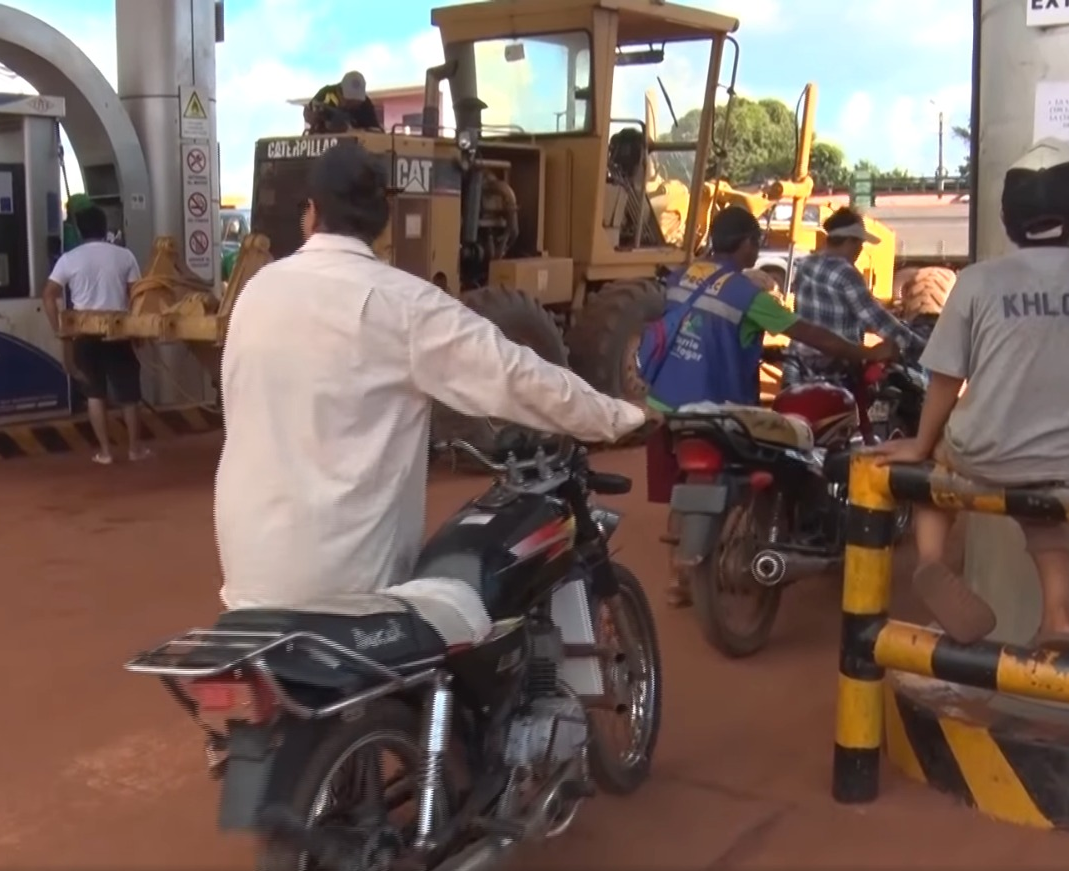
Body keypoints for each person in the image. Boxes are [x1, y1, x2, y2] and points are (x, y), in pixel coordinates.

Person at [215, 140, 646, 612]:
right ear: (384, 223)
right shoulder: (404, 304)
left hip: (246, 575)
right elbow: (514, 376)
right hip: (348, 586)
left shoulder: (256, 292)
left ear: (311, 214)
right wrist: (620, 416)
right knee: (482, 618)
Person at [870, 138, 1069, 654]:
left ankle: (929, 560)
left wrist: (923, 443)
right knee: (1045, 515)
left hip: (985, 450)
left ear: (1006, 219)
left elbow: (946, 377)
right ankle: (1059, 616)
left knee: (934, 474)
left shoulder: (976, 281)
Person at [639, 205, 897, 607]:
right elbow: (809, 333)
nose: (757, 252)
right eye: (756, 244)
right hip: (717, 405)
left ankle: (680, 579)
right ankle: (757, 550)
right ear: (744, 244)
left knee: (683, 484)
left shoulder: (682, 275)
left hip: (664, 401)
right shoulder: (746, 294)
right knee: (763, 468)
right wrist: (864, 354)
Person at [40, 207, 150, 466]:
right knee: (129, 395)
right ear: (105, 228)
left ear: (79, 230)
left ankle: (105, 452)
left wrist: (59, 327)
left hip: (85, 333)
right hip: (119, 331)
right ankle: (135, 450)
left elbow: (48, 295)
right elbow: (138, 295)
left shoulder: (69, 258)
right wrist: (137, 329)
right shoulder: (124, 256)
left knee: (95, 394)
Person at [782, 207, 925, 386]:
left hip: (797, 367)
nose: (860, 250)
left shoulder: (805, 265)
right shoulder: (846, 273)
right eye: (860, 244)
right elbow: (878, 321)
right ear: (851, 241)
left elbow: (829, 312)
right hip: (833, 372)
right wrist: (919, 345)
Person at [304, 71, 382, 134]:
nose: (354, 104)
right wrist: (313, 117)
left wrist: (353, 130)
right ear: (340, 92)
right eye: (350, 101)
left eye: (357, 102)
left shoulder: (365, 103)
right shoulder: (326, 93)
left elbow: (376, 131)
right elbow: (308, 112)